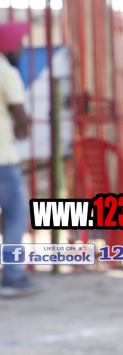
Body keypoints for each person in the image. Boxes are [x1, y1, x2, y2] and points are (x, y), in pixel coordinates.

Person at [0, 22, 42, 298]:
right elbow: (21, 116)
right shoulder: (6, 71)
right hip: (3, 160)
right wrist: (22, 124)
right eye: (20, 45)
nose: (23, 50)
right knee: (16, 214)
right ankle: (13, 276)